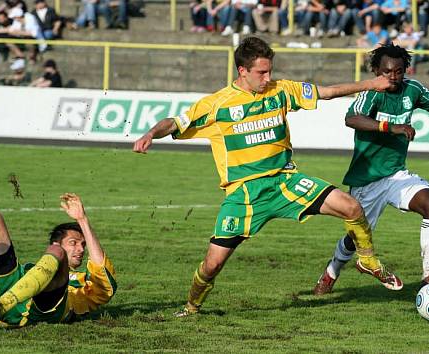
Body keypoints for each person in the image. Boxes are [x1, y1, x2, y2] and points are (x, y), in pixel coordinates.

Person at [133, 37, 400, 317]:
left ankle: (368, 261)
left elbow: (328, 92)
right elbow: (174, 123)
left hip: (286, 181)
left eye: (270, 70)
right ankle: (191, 307)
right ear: (243, 71)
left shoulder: (280, 90)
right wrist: (151, 134)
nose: (268, 77)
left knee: (352, 207)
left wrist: (371, 84)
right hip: (244, 194)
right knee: (212, 265)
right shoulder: (217, 104)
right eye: (262, 72)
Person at [312, 44, 429, 295]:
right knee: (355, 239)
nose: (392, 77)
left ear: (405, 70)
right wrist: (390, 127)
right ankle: (331, 273)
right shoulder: (371, 92)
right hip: (366, 179)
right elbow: (352, 118)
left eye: (398, 71)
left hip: (395, 175)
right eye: (386, 72)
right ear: (375, 71)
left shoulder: (411, 89)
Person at [0, 193, 116, 328]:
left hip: (46, 310)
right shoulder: (29, 271)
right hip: (10, 291)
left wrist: (82, 220)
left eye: (83, 245)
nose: (81, 249)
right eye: (73, 243)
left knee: (57, 254)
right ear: (55, 243)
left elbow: (105, 283)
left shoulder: (84, 283)